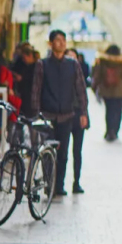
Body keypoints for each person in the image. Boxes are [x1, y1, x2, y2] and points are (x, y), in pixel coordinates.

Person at [31, 30, 90, 196]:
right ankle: (49, 183)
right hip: (47, 116)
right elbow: (36, 90)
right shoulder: (42, 64)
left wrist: (84, 112)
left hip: (67, 115)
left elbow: (80, 89)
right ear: (51, 44)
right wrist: (37, 113)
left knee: (63, 153)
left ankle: (59, 185)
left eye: (64, 40)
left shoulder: (73, 64)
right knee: (48, 152)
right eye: (58, 40)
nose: (62, 43)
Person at [93, 45, 122, 141]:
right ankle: (115, 131)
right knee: (118, 112)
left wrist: (95, 87)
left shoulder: (103, 61)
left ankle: (109, 131)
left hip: (106, 90)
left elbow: (97, 75)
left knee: (109, 111)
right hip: (120, 91)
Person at [11, 43, 39, 115]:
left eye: (24, 58)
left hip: (30, 98)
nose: (23, 60)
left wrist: (21, 79)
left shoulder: (35, 67)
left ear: (29, 56)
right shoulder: (28, 66)